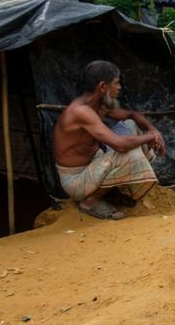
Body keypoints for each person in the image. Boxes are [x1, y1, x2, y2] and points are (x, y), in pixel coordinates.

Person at [53, 60, 165, 220]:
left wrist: (153, 130)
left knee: (131, 126)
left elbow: (132, 115)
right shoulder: (80, 112)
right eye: (116, 83)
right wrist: (151, 136)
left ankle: (109, 192)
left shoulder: (98, 105)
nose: (119, 87)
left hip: (92, 165)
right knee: (130, 152)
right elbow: (120, 145)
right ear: (102, 87)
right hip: (76, 180)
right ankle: (89, 202)